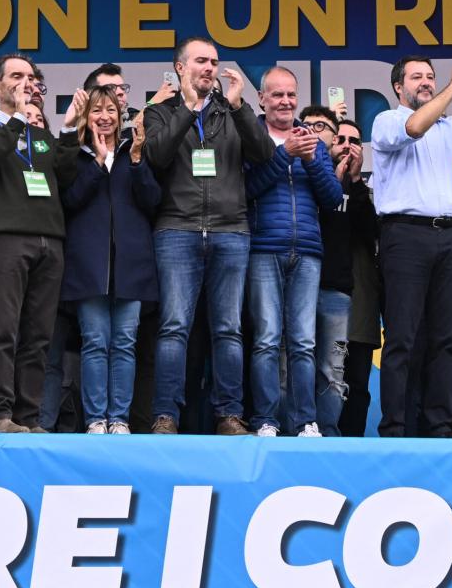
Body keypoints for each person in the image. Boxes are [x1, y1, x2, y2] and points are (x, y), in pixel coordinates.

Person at [143, 37, 274, 435]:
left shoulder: (232, 112)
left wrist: (238, 105)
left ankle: (229, 415)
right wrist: (186, 107)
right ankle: (166, 415)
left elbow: (264, 153)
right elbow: (158, 155)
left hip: (230, 230)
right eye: (201, 61)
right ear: (180, 68)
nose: (209, 68)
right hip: (177, 228)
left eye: (214, 62)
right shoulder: (159, 111)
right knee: (173, 327)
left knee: (228, 329)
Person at [371, 41, 452, 438]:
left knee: (447, 340)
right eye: (417, 77)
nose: (426, 82)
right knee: (403, 339)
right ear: (398, 87)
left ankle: (439, 425)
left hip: (449, 238)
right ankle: (394, 426)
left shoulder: (449, 127)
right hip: (405, 236)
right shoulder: (387, 120)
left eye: (430, 76)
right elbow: (414, 127)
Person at [0, 52, 82, 433]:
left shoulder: (39, 133)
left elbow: (66, 175)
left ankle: (28, 417)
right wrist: (15, 118)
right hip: (4, 240)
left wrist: (68, 130)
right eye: (17, 76)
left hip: (50, 241)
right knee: (4, 331)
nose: (27, 83)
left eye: (31, 77)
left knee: (38, 335)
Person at [245, 72, 343, 438]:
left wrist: (312, 158)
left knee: (303, 341)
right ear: (262, 98)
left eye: (291, 94)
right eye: (278, 95)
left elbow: (333, 198)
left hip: (307, 250)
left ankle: (305, 421)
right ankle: (266, 420)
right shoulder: (252, 137)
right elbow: (245, 189)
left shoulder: (312, 141)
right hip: (263, 248)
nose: (285, 101)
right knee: (267, 338)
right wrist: (284, 156)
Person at [60, 85, 160, 435]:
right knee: (95, 342)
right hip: (89, 267)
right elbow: (69, 201)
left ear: (122, 117)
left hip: (131, 266)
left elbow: (152, 201)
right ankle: (94, 420)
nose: (104, 117)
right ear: (86, 118)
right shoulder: (76, 154)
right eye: (96, 110)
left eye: (112, 111)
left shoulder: (135, 151)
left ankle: (119, 418)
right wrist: (98, 164)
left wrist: (134, 161)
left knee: (125, 345)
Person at [300, 110, 377, 437]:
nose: (346, 146)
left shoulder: (361, 188)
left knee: (339, 374)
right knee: (296, 364)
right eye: (340, 138)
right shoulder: (305, 177)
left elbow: (371, 231)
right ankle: (299, 429)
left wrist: (355, 182)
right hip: (300, 284)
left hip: (343, 291)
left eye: (354, 141)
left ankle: (336, 439)